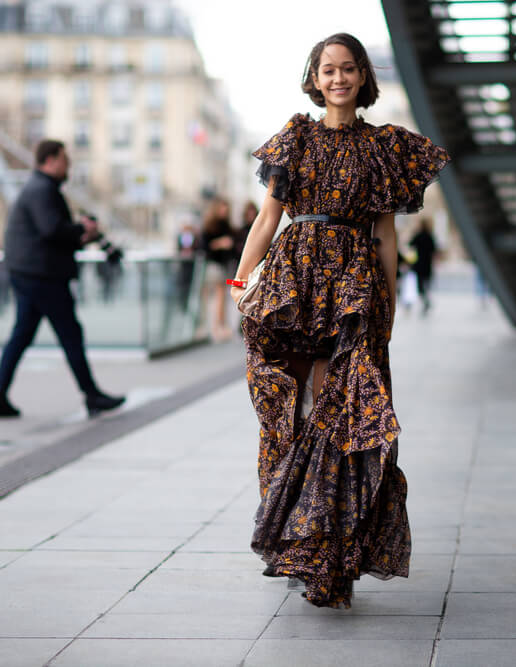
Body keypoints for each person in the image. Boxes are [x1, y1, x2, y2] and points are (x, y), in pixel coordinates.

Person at [228, 32, 449, 608]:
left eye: (348, 69)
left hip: (352, 292)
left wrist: (391, 306)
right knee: (289, 411)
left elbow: (385, 235)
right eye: (328, 70)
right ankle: (294, 538)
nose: (338, 79)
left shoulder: (384, 148)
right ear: (315, 77)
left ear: (362, 77)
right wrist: (240, 283)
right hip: (292, 287)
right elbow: (266, 220)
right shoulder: (295, 139)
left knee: (338, 416)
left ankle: (329, 554)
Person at [0, 139, 125, 419]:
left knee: (22, 335)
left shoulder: (37, 188)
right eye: (65, 160)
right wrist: (82, 228)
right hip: (42, 276)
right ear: (50, 160)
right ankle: (91, 395)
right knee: (70, 334)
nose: (69, 167)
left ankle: (0, 397)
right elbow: (52, 230)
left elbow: (52, 236)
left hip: (30, 273)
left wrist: (80, 235)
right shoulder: (42, 190)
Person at [201, 197, 239, 341]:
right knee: (216, 295)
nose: (225, 211)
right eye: (223, 207)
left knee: (221, 295)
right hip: (212, 265)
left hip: (225, 266)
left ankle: (219, 326)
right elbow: (204, 247)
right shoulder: (210, 225)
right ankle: (215, 327)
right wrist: (220, 243)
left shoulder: (227, 226)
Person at [409, 218, 437, 315]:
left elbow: (410, 244)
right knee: (427, 284)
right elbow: (434, 250)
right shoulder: (430, 236)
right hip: (427, 264)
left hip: (419, 264)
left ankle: (425, 300)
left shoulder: (419, 236)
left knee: (420, 286)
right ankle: (426, 300)